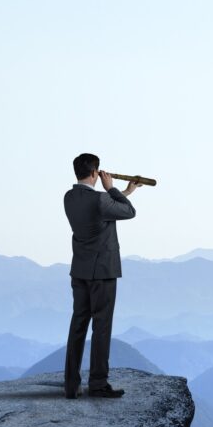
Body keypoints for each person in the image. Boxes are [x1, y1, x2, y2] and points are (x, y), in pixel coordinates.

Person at [63, 153, 142, 399]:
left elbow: (105, 209)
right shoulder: (101, 199)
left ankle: (71, 384)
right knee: (101, 326)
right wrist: (114, 188)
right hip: (103, 272)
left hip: (80, 271)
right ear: (96, 173)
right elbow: (129, 212)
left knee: (78, 325)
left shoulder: (69, 197)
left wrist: (125, 191)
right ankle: (97, 383)